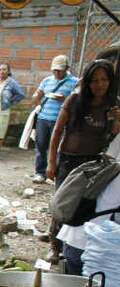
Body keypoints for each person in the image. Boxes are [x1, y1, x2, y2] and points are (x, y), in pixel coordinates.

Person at [48, 60, 120, 272]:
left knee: (85, 207)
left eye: (104, 80)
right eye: (94, 80)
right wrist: (51, 162)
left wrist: (117, 120)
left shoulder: (113, 104)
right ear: (87, 82)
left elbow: (115, 138)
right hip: (70, 160)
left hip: (94, 165)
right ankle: (55, 246)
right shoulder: (75, 100)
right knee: (62, 205)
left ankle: (75, 247)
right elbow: (57, 132)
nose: (99, 85)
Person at [30, 55, 78, 183]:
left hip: (60, 120)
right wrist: (36, 97)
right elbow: (38, 94)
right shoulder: (47, 81)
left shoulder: (74, 82)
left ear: (67, 68)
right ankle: (40, 172)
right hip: (43, 118)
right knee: (40, 146)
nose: (56, 72)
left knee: (58, 148)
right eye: (54, 70)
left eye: (59, 70)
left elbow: (79, 101)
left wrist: (65, 99)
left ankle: (55, 174)